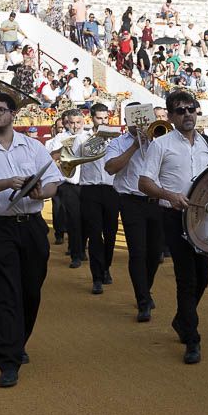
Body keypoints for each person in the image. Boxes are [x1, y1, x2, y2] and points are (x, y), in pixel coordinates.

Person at [0, 92, 63, 388]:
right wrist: (7, 182)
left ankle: (18, 343)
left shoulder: (33, 147)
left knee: (31, 291)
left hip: (31, 225)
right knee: (6, 294)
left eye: (0, 109)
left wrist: (39, 192)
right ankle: (8, 360)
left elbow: (54, 183)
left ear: (13, 114)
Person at [138, 91, 208, 364]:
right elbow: (144, 183)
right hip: (174, 217)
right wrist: (170, 195)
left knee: (204, 277)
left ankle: (182, 319)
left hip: (203, 218)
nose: (187, 114)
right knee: (187, 278)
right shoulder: (160, 145)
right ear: (170, 117)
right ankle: (192, 338)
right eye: (180, 110)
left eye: (191, 109)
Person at [104, 103, 164, 323]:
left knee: (155, 253)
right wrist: (136, 146)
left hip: (157, 200)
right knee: (138, 253)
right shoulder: (117, 143)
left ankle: (145, 290)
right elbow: (111, 168)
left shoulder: (160, 138)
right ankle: (142, 300)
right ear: (127, 120)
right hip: (130, 201)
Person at [78, 103, 119, 294]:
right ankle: (96, 277)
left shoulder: (116, 139)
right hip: (90, 190)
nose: (102, 121)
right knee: (94, 234)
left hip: (111, 190)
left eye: (105, 118)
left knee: (110, 234)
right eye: (98, 118)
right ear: (91, 118)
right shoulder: (83, 138)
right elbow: (83, 154)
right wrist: (98, 138)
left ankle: (105, 268)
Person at [45, 109, 86, 268]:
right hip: (68, 184)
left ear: (83, 121)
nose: (75, 126)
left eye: (78, 122)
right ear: (66, 123)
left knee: (86, 219)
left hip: (86, 184)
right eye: (71, 123)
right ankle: (75, 254)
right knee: (74, 220)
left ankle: (82, 248)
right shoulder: (60, 138)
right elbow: (53, 158)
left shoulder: (89, 136)